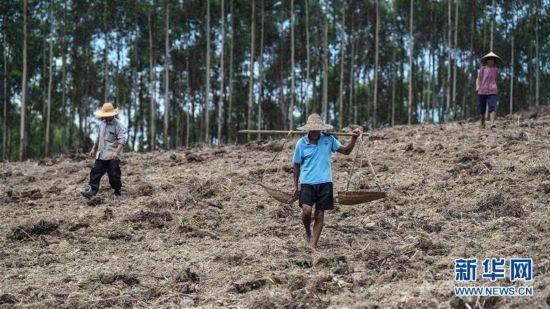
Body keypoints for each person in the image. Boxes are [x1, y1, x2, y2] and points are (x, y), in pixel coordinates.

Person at [292, 114, 361, 250]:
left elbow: (346, 151)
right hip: (307, 182)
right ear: (308, 130)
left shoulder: (328, 140)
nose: (316, 131)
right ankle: (307, 231)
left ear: (321, 129)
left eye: (318, 129)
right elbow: (296, 164)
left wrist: (353, 139)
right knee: (306, 210)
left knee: (320, 213)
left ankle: (313, 245)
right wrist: (295, 185)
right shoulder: (301, 144)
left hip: (325, 182)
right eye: (313, 129)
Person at [81, 103, 127, 199]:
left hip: (112, 156)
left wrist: (116, 153)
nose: (105, 118)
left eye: (107, 116)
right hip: (101, 155)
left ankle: (117, 191)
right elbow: (98, 138)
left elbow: (122, 141)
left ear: (113, 114)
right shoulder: (102, 124)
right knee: (95, 172)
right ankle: (92, 190)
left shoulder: (118, 125)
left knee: (114, 176)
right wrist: (94, 149)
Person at [476, 51, 501, 129]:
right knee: (482, 109)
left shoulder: (496, 70)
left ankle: (492, 123)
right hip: (482, 90)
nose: (491, 61)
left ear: (494, 61)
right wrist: (477, 86)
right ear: (487, 60)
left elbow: (496, 78)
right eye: (489, 59)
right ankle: (482, 123)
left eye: (492, 59)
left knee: (492, 107)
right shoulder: (483, 69)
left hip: (492, 90)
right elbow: (478, 78)